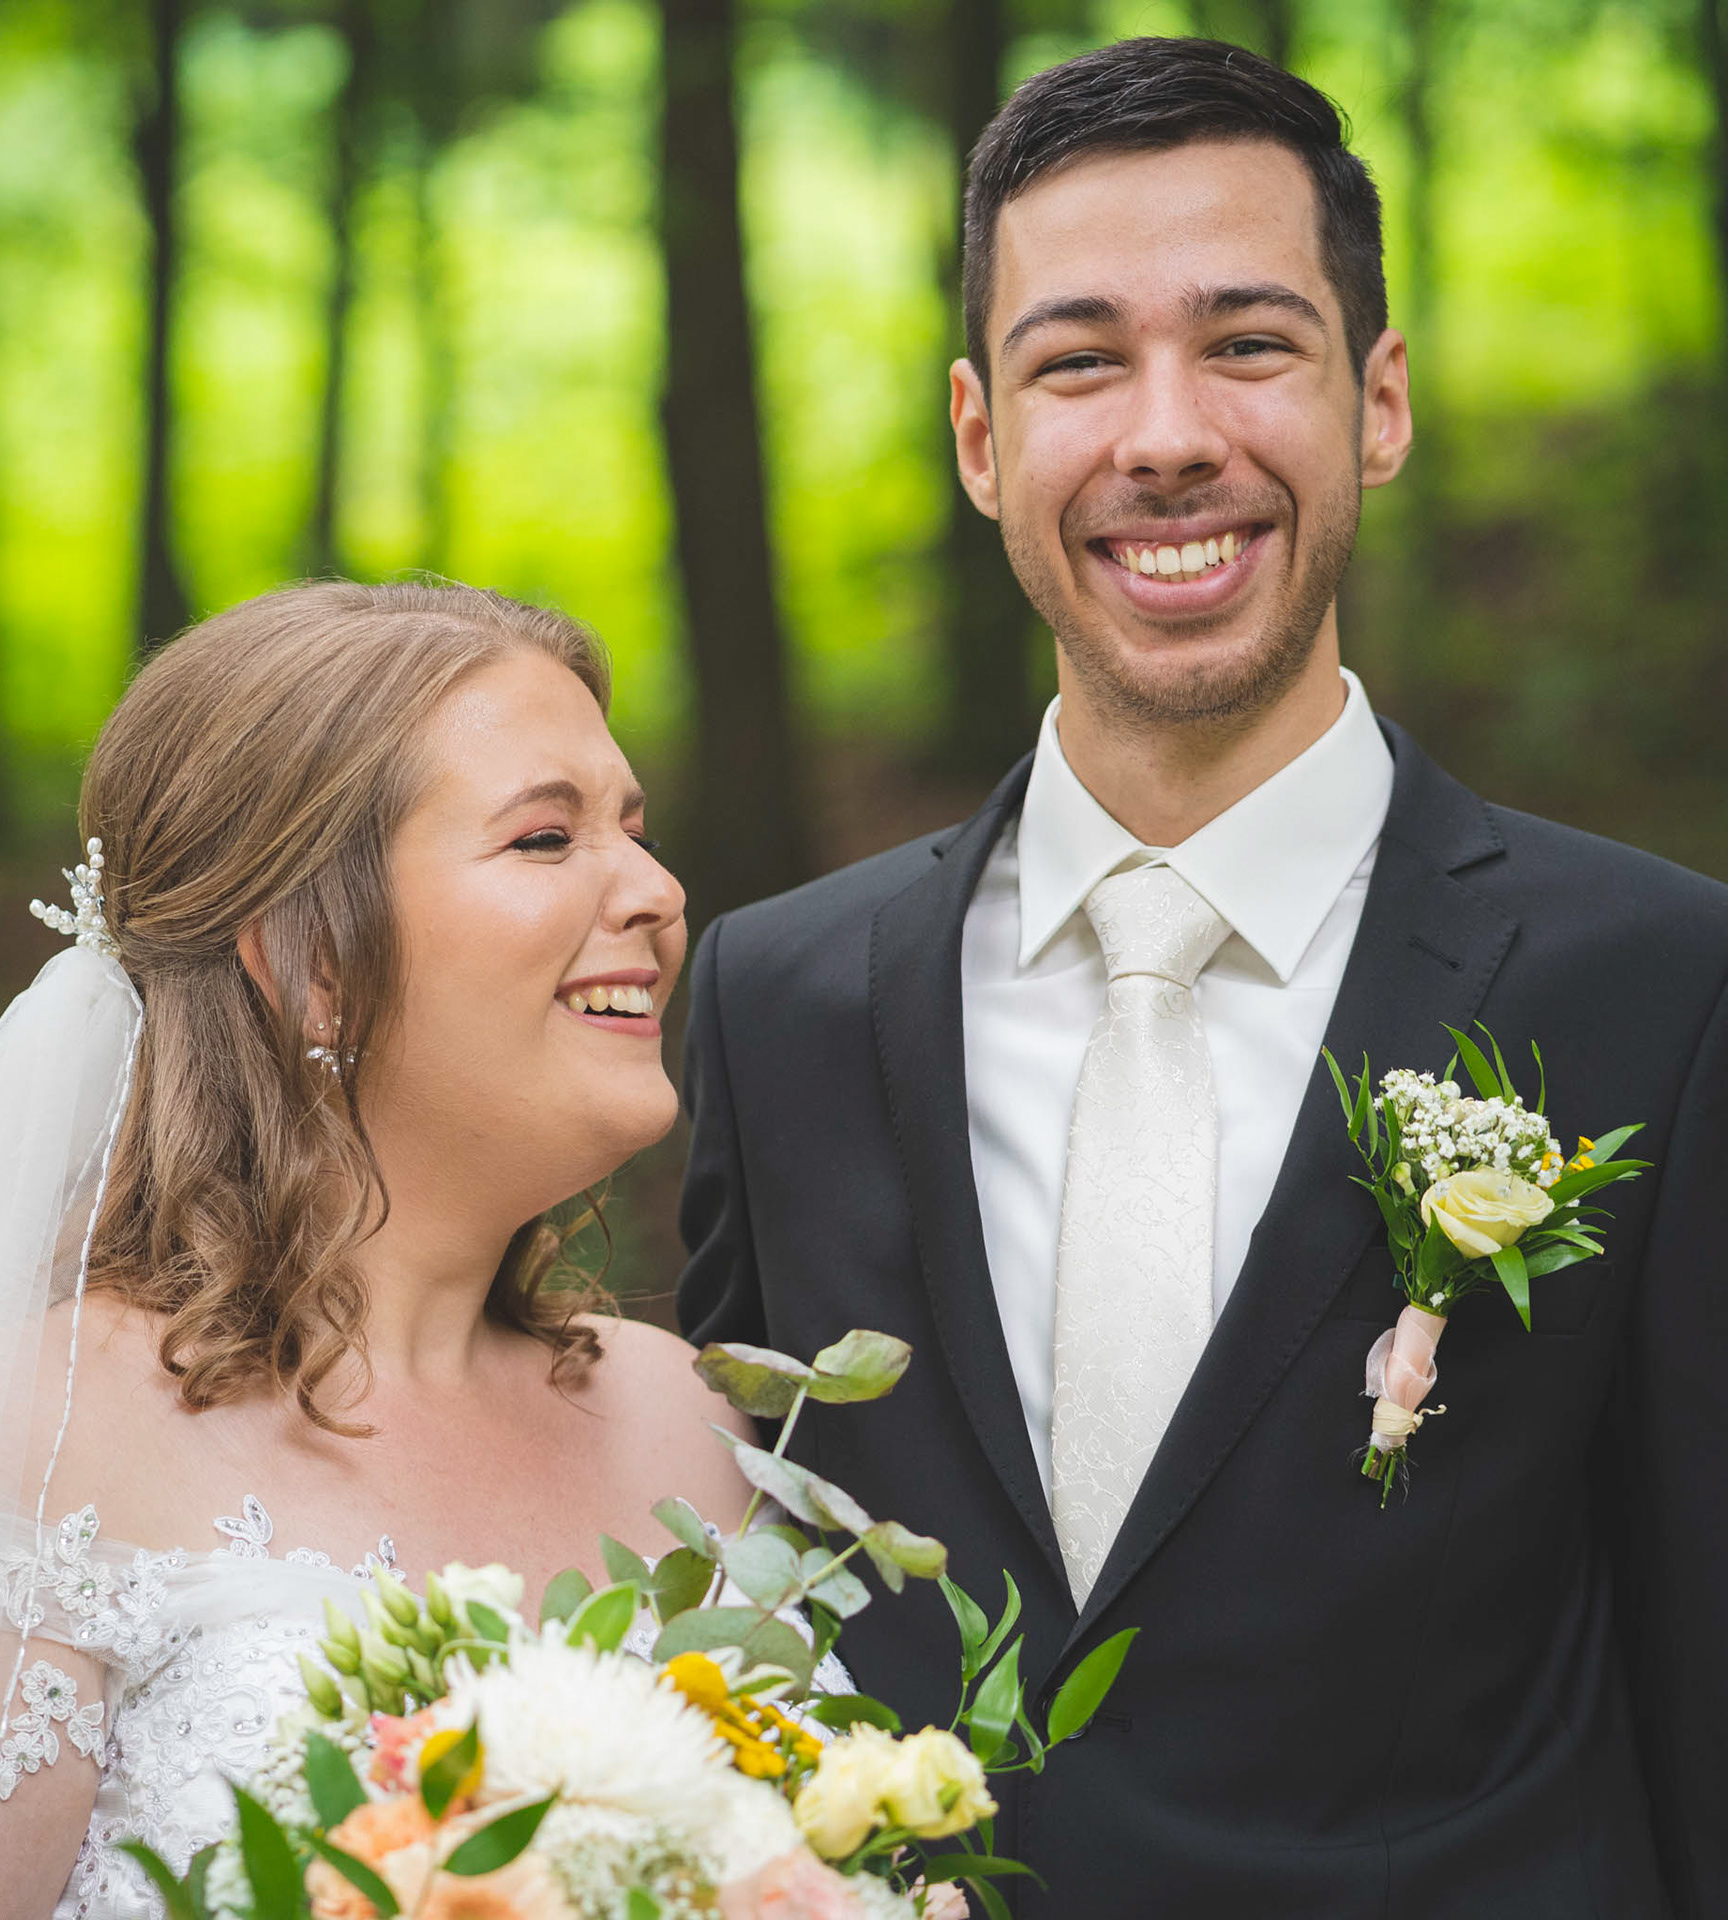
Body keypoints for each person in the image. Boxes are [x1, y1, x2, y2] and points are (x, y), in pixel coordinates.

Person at [678, 38, 1728, 1918]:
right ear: (981, 438)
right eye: (1079, 362)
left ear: (1377, 403)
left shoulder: (1667, 986)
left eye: (1247, 344)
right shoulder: (776, 1004)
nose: (1166, 436)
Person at [0, 581, 754, 1917]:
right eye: (546, 838)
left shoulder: (682, 1416)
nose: (657, 893)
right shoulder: (9, 1449)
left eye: (636, 833)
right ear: (314, 965)